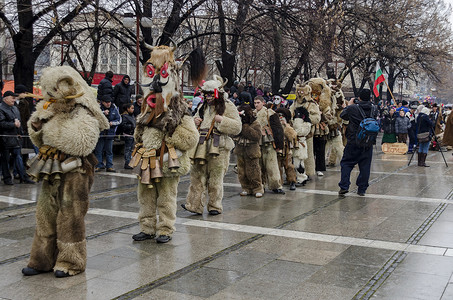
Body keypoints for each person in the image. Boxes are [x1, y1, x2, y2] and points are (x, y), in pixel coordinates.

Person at [22, 66, 109, 277]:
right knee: (44, 214)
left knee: (70, 216)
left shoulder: (83, 110)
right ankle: (41, 259)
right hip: (50, 167)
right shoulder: (50, 108)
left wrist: (51, 127)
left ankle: (71, 261)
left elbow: (82, 143)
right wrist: (36, 127)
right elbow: (39, 140)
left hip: (76, 170)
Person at [182, 76, 242, 215]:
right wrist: (194, 121)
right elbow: (193, 122)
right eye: (206, 94)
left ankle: (215, 206)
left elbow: (237, 127)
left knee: (215, 178)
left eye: (210, 94)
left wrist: (223, 120)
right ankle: (194, 205)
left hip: (219, 146)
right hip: (201, 145)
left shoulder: (228, 106)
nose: (208, 97)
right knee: (197, 176)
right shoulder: (202, 107)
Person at [338, 89, 377, 196]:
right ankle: (362, 189)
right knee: (365, 166)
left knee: (346, 163)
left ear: (358, 97)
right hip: (368, 141)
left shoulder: (352, 108)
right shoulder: (374, 108)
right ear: (370, 97)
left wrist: (349, 105)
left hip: (353, 140)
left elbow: (343, 116)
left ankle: (344, 186)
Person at [0, 91, 34, 185]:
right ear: (5, 98)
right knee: (5, 159)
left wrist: (20, 133)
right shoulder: (1, 108)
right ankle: (7, 178)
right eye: (12, 98)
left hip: (16, 138)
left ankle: (23, 177)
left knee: (18, 157)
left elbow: (19, 122)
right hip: (5, 139)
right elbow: (1, 123)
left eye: (15, 98)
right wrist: (13, 124)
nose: (14, 100)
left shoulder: (15, 108)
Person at [254, 95, 285, 194]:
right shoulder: (252, 114)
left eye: (258, 102)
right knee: (258, 165)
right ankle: (259, 185)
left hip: (268, 141)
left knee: (272, 164)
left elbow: (277, 129)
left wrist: (279, 144)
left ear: (263, 103)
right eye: (255, 103)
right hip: (256, 142)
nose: (256, 105)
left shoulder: (270, 112)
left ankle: (276, 185)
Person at [234, 104, 264, 198]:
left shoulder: (255, 123)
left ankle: (257, 188)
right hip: (240, 149)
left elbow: (257, 136)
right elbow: (234, 134)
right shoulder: (238, 124)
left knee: (254, 170)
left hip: (252, 151)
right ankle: (245, 187)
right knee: (241, 171)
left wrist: (245, 127)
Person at [94, 95, 121, 172]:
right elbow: (95, 117)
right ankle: (99, 165)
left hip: (110, 134)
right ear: (102, 102)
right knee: (99, 150)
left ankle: (109, 166)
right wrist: (103, 113)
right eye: (106, 102)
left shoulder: (114, 108)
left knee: (109, 151)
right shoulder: (98, 108)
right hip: (100, 134)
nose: (108, 104)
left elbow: (119, 119)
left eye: (109, 102)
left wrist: (113, 123)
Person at [275, 107, 298, 190]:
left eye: (282, 116)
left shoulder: (289, 125)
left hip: (287, 149)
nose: (281, 118)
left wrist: (286, 126)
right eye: (279, 116)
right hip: (278, 148)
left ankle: (292, 181)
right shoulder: (275, 125)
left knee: (289, 166)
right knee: (277, 166)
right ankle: (278, 183)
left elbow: (293, 136)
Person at [119, 103, 136, 169]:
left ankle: (129, 162)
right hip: (128, 134)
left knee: (130, 149)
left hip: (132, 134)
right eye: (132, 108)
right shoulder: (124, 116)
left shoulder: (132, 116)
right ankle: (127, 163)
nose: (133, 110)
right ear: (127, 109)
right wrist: (131, 127)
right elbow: (123, 125)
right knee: (127, 149)